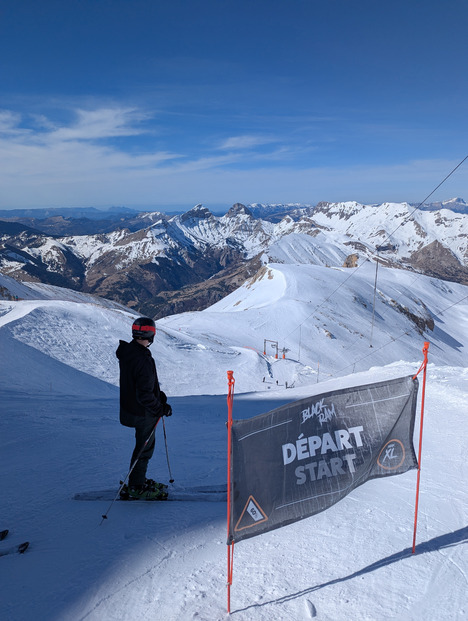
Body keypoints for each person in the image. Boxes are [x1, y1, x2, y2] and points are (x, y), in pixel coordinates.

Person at [116, 317, 172, 500]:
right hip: (142, 413)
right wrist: (160, 408)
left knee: (141, 447)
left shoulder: (129, 353)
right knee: (144, 449)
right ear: (151, 334)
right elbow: (145, 395)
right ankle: (136, 485)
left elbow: (138, 385)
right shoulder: (143, 358)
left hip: (129, 409)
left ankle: (137, 480)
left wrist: (159, 396)